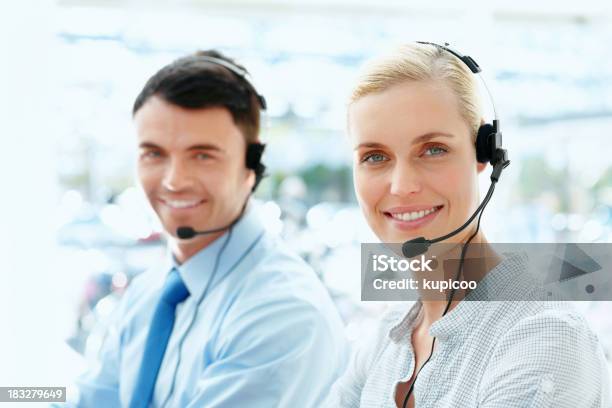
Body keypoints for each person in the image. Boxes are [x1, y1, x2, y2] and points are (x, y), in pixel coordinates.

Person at [325, 42, 610, 407]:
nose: (401, 185)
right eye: (375, 156)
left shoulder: (543, 335)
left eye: (433, 149)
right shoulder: (391, 335)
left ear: (484, 156)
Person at [67, 50, 349, 407]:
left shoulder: (282, 313)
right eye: (153, 154)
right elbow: (92, 399)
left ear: (253, 165)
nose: (173, 181)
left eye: (202, 155)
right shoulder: (149, 293)